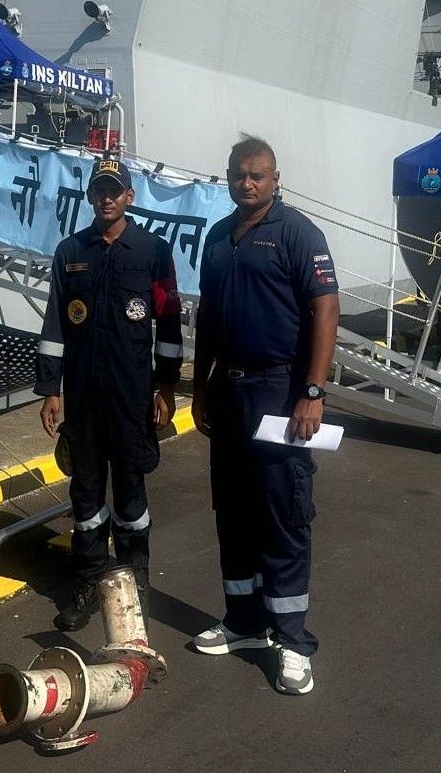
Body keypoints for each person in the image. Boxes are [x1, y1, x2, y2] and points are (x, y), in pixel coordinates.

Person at [190, 136, 339, 697]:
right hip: (228, 390)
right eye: (239, 174)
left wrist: (313, 391)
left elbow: (326, 307)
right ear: (229, 176)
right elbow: (208, 316)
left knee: (283, 513)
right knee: (232, 510)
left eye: (257, 175)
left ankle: (293, 640)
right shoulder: (218, 237)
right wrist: (200, 388)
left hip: (279, 390)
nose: (247, 183)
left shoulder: (298, 233)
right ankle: (245, 622)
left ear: (276, 178)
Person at [36, 157, 184, 631]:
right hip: (83, 397)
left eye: (114, 191)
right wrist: (50, 389)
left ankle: (135, 582)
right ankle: (87, 581)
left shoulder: (153, 251)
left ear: (129, 197)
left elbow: (168, 323)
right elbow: (55, 324)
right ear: (90, 196)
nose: (106, 198)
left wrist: (166, 385)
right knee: (85, 492)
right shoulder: (71, 251)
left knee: (131, 491)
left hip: (131, 396)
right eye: (99, 190)